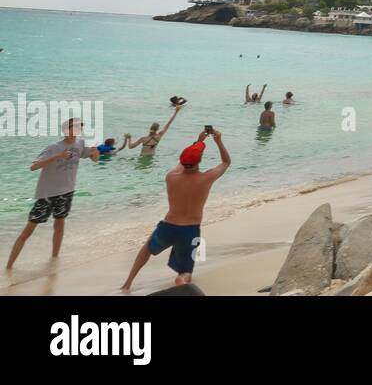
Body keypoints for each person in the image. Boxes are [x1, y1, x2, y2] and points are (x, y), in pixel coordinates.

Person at [122, 130, 231, 290]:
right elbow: (226, 162)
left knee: (146, 249)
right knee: (186, 270)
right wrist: (218, 141)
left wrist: (197, 142)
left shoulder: (171, 177)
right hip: (190, 230)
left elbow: (183, 163)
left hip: (168, 226)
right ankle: (182, 278)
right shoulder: (206, 178)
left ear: (182, 160)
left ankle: (127, 283)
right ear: (199, 161)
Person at [6, 118, 97, 270]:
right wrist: (57, 156)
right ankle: (8, 268)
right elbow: (33, 167)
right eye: (73, 127)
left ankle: (54, 261)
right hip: (47, 195)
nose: (76, 130)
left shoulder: (80, 144)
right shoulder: (54, 147)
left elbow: (94, 159)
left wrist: (96, 153)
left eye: (79, 127)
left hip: (66, 192)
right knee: (27, 232)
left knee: (59, 227)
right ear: (65, 129)